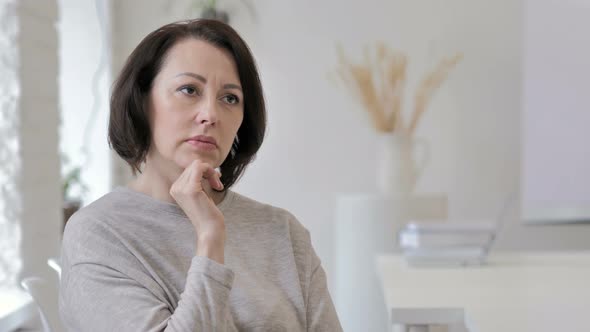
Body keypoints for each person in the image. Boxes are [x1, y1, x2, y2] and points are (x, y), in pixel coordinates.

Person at [58, 19, 342, 331]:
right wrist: (209, 238)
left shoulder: (284, 233)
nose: (210, 114)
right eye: (189, 90)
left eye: (230, 98)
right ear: (142, 101)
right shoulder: (98, 233)